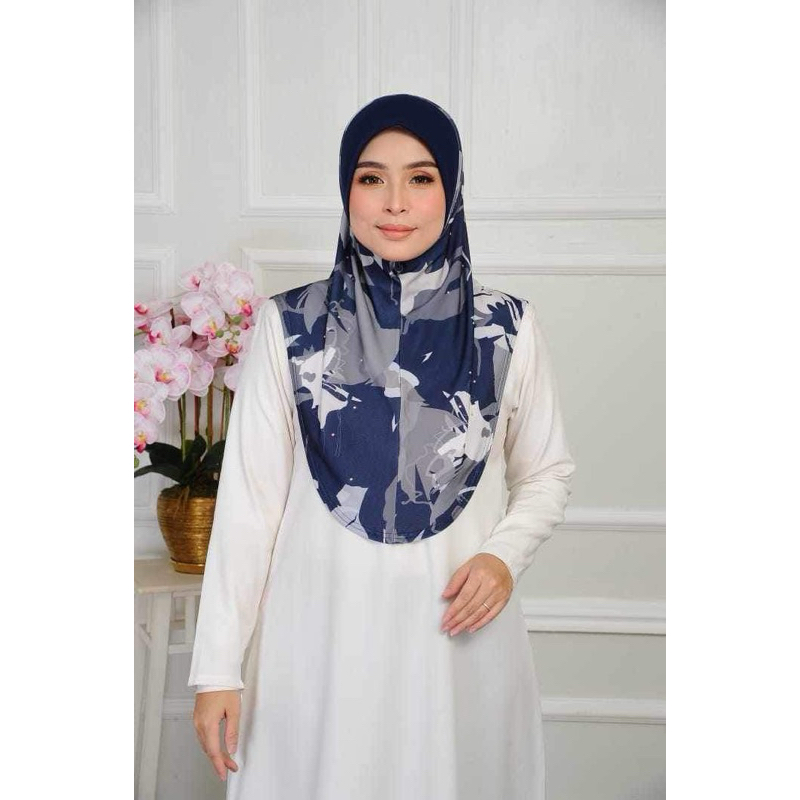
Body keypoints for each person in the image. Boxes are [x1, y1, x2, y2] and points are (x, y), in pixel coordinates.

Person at [189, 93, 575, 800]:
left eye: (421, 177)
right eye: (371, 178)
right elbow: (248, 506)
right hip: (319, 642)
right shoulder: (288, 326)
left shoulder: (507, 329)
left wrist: (503, 556)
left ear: (452, 190)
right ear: (346, 190)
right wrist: (218, 668)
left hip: (457, 644)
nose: (395, 201)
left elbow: (547, 471)